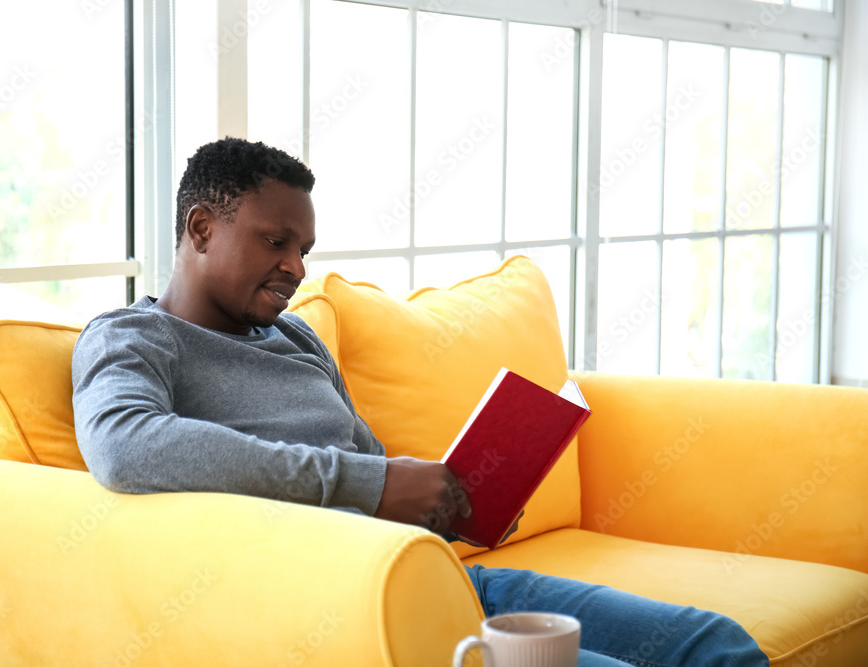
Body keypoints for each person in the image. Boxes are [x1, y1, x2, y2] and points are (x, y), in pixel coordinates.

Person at [72, 137, 769, 667]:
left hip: (439, 574)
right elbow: (127, 446)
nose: (296, 267)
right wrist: (372, 484)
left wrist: (452, 500)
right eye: (275, 241)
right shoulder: (133, 338)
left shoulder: (298, 339)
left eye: (305, 248)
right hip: (348, 611)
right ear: (200, 229)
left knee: (718, 646)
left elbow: (370, 465)